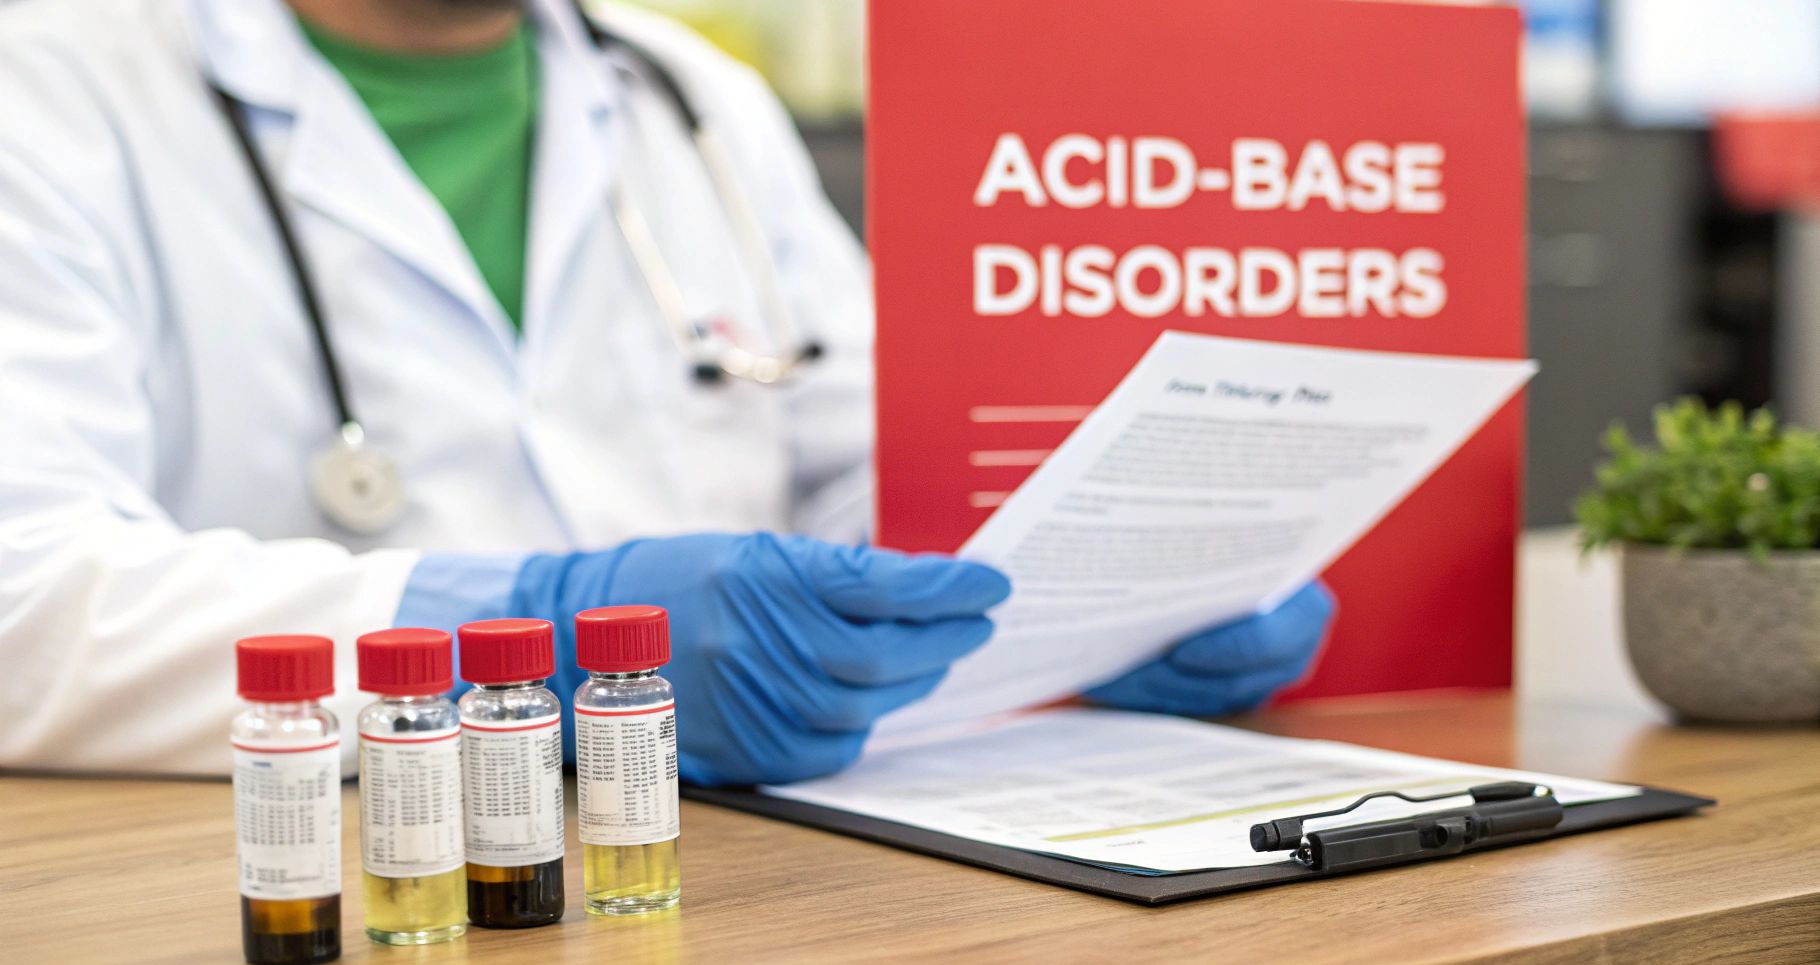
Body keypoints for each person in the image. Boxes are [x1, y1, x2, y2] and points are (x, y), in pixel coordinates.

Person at [0, 0, 1334, 783]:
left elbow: (863, 473)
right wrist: (530, 637)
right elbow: (26, 595)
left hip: (728, 870)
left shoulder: (689, 96)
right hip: (298, 871)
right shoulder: (48, 91)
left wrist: (1089, 595)